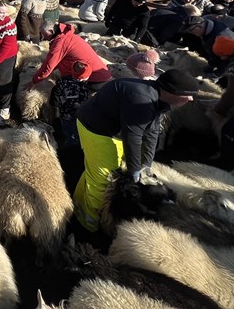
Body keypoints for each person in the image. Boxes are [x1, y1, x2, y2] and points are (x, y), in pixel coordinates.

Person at [72, 69, 200, 232]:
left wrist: (146, 165)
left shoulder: (160, 99)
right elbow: (133, 137)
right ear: (173, 91)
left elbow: (153, 131)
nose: (190, 99)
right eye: (188, 94)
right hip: (97, 129)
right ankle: (88, 224)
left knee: (96, 168)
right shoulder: (141, 99)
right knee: (104, 177)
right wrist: (134, 171)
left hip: (113, 129)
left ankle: (79, 202)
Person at [31, 21, 111, 88]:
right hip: (100, 75)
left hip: (93, 79)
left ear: (51, 31)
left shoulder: (60, 42)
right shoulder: (68, 35)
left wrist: (34, 81)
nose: (43, 37)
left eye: (43, 34)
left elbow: (49, 65)